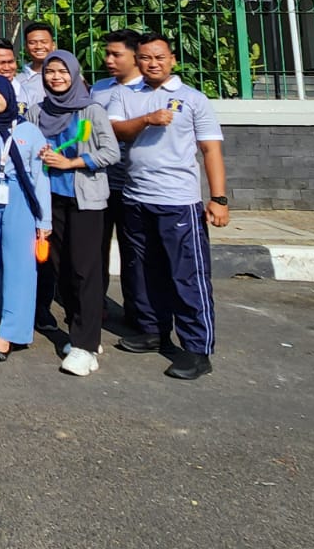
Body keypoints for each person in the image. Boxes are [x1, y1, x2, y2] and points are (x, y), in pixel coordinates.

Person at [106, 33, 229, 382]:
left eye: (159, 57)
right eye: (145, 57)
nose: (152, 63)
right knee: (144, 270)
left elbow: (210, 151)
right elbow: (115, 131)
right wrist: (147, 119)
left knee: (186, 274)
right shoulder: (126, 95)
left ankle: (197, 347)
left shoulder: (193, 99)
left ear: (172, 59)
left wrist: (218, 199)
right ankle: (151, 330)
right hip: (135, 196)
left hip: (178, 201)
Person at [29, 51, 120, 377]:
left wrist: (72, 162)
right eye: (50, 72)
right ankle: (82, 334)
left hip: (85, 201)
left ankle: (84, 345)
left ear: (74, 74)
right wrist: (37, 154)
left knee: (84, 271)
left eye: (62, 72)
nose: (55, 77)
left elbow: (111, 152)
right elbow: (29, 147)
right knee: (60, 270)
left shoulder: (90, 110)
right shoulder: (39, 111)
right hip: (50, 200)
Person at [0, 76, 50, 362]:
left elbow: (40, 177)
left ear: (9, 94)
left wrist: (44, 222)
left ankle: (9, 332)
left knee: (19, 264)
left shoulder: (29, 131)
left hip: (19, 194)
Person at [93, 29, 143, 311]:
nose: (108, 59)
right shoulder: (99, 88)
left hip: (134, 185)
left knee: (134, 252)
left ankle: (138, 312)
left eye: (116, 54)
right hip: (100, 182)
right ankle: (94, 307)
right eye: (107, 53)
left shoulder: (148, 89)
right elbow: (85, 128)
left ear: (135, 57)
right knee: (95, 250)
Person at [16, 21, 57, 106]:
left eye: (44, 42)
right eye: (32, 43)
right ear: (26, 47)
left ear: (53, 45)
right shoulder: (17, 81)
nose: (38, 46)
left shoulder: (67, 77)